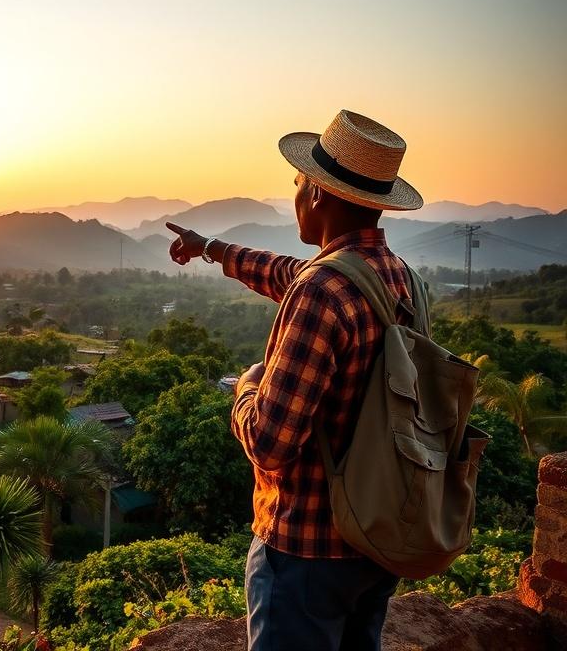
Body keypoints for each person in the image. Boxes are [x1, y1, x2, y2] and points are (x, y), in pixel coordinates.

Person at [166, 110, 424, 651]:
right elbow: (291, 273)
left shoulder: (323, 292)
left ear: (318, 195)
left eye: (298, 183)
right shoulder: (399, 278)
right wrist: (210, 247)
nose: (296, 194)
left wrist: (247, 387)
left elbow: (270, 442)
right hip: (373, 535)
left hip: (306, 550)